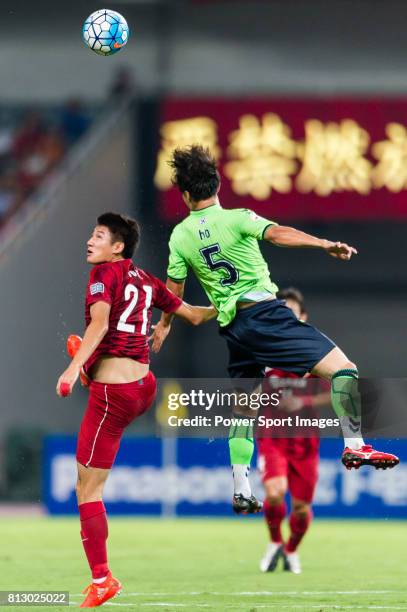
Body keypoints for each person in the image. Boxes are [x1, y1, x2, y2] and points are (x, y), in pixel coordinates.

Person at [151, 144, 399, 515]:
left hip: (233, 327)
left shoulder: (181, 236)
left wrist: (164, 324)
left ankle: (240, 487)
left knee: (245, 409)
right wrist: (324, 244)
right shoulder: (237, 218)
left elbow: (174, 291)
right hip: (266, 315)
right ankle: (355, 445)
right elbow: (278, 233)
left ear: (185, 194)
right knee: (344, 370)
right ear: (217, 185)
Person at [56, 212, 216, 608]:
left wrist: (74, 370)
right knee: (101, 368)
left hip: (114, 395)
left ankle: (102, 580)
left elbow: (99, 324)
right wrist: (231, 303)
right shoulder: (146, 281)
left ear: (118, 247)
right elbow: (194, 314)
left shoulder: (103, 276)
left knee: (87, 489)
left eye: (98, 236)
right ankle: (95, 368)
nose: (90, 242)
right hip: (144, 387)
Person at [258, 288, 330, 575]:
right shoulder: (260, 349)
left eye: (293, 312)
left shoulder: (318, 352)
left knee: (300, 508)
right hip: (272, 434)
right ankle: (275, 542)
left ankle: (291, 549)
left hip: (305, 440)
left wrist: (304, 400)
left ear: (304, 317)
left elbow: (343, 386)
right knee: (275, 492)